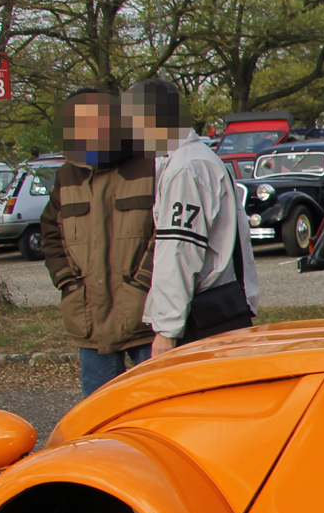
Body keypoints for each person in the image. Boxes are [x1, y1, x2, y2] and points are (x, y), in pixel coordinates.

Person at [38, 89, 157, 396]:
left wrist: (143, 282)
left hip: (146, 319)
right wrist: (67, 281)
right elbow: (51, 231)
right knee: (99, 419)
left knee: (160, 408)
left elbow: (166, 233)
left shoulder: (150, 165)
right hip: (90, 320)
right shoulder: (67, 174)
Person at [127, 78, 259, 353]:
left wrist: (167, 330)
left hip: (202, 319)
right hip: (221, 308)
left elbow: (180, 251)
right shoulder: (195, 159)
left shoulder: (185, 169)